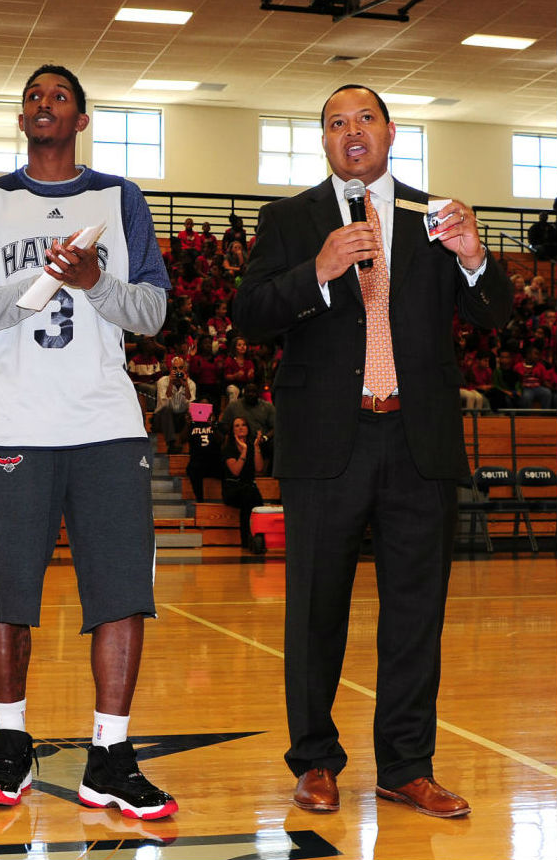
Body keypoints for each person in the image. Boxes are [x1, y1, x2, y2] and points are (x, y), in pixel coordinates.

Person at [234, 83, 512, 818]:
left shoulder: (434, 216)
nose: (351, 132)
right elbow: (248, 315)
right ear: (321, 141)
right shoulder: (290, 219)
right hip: (329, 440)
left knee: (416, 613)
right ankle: (316, 761)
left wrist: (476, 256)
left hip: (418, 442)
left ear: (391, 132)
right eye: (335, 123)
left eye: (365, 119)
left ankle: (406, 766)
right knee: (315, 612)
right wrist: (317, 272)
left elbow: (495, 314)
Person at [0, 64, 177, 819]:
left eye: (60, 98)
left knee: (120, 591)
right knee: (8, 592)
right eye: (33, 97)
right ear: (21, 118)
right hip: (17, 427)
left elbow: (151, 312)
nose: (44, 105)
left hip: (107, 426)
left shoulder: (121, 199)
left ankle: (109, 754)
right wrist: (46, 282)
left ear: (81, 117)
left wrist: (94, 281)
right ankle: (9, 743)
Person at [221, 416, 263, 548]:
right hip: (232, 489)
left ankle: (257, 539)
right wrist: (244, 452)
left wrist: (256, 448)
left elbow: (259, 468)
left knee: (252, 496)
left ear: (248, 429)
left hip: (248, 489)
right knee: (249, 495)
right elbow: (235, 471)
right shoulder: (229, 449)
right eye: (237, 425)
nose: (240, 427)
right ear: (233, 430)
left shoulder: (252, 446)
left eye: (243, 425)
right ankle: (249, 540)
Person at [153, 356, 196, 453]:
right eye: (175, 368)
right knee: (166, 409)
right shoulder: (162, 381)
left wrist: (186, 386)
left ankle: (183, 443)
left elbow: (191, 406)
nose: (178, 371)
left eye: (180, 368)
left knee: (191, 415)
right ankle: (172, 444)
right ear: (170, 369)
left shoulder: (191, 383)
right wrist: (171, 383)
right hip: (162, 418)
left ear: (185, 370)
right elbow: (164, 404)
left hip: (179, 418)